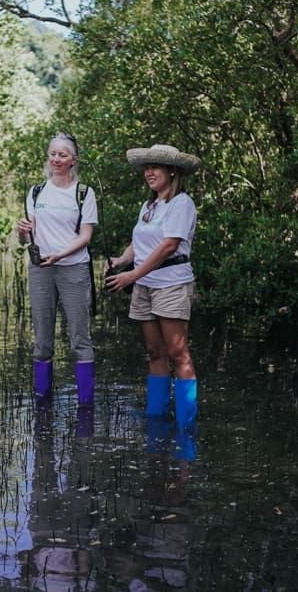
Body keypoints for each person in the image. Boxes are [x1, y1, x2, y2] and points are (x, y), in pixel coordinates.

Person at [104, 143, 200, 431]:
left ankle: (187, 425)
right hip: (145, 285)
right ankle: (156, 418)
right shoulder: (149, 205)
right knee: (155, 352)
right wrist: (121, 261)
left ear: (172, 171)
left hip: (171, 285)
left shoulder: (181, 203)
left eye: (155, 166)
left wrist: (131, 277)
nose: (149, 172)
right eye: (146, 167)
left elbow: (169, 245)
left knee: (178, 352)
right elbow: (140, 243)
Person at [15, 133, 99, 406]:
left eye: (63, 155)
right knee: (42, 341)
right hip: (41, 269)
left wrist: (59, 255)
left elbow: (86, 237)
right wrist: (22, 233)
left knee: (80, 338)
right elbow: (29, 239)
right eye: (53, 154)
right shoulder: (36, 192)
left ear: (73, 160)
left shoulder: (84, 193)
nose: (56, 159)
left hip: (74, 268)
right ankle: (43, 403)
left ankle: (85, 406)